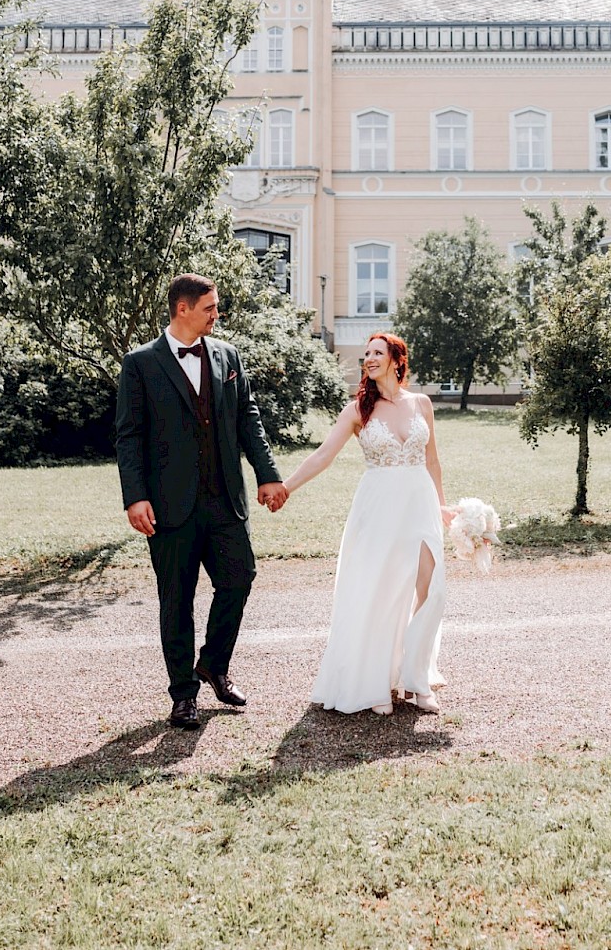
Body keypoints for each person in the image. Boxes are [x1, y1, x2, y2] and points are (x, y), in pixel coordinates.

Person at [115, 272, 288, 729]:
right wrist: (135, 497)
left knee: (240, 578)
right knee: (177, 599)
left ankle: (213, 663)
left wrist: (267, 476)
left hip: (225, 500)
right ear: (183, 309)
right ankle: (183, 695)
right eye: (210, 307)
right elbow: (128, 436)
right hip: (169, 506)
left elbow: (248, 420)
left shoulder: (228, 356)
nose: (218, 314)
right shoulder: (140, 364)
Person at [277, 332, 453, 716]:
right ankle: (375, 683)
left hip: (420, 504)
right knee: (381, 591)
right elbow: (323, 456)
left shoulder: (421, 404)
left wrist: (441, 506)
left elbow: (433, 461)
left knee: (431, 588)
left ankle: (418, 678)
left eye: (378, 352)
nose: (369, 359)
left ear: (396, 359)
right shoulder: (358, 410)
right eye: (366, 354)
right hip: (378, 508)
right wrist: (287, 487)